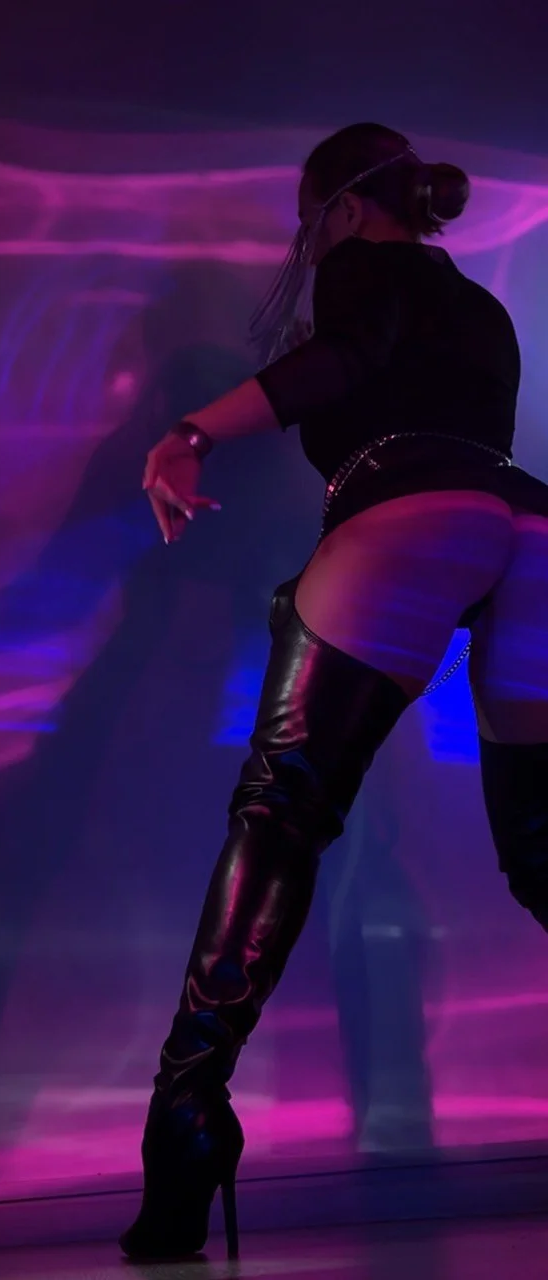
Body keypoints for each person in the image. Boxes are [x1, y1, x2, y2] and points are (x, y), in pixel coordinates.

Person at [119, 121, 548, 1261]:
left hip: (413, 515)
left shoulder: (364, 266)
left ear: (346, 210)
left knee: (280, 813)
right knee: (542, 850)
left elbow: (347, 360)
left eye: (311, 227)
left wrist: (189, 432)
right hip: (533, 528)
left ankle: (186, 1115)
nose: (308, 251)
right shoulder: (484, 310)